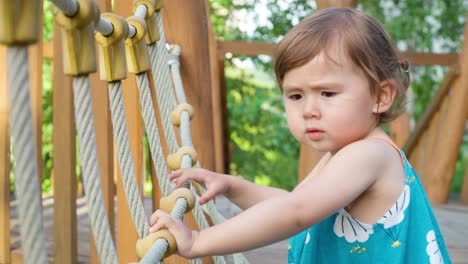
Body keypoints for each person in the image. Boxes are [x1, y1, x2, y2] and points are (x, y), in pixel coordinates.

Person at [150, 7, 451, 263]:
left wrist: (198, 241)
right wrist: (234, 186)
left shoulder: (370, 155)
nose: (309, 110)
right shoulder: (345, 153)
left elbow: (297, 212)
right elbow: (296, 202)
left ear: (380, 96)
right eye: (295, 96)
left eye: (328, 93)